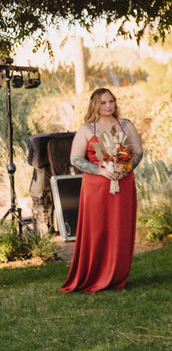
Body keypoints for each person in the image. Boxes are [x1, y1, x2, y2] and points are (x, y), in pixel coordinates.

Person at [62, 88, 143, 292]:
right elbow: (76, 159)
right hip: (96, 186)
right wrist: (100, 171)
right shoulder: (87, 129)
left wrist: (125, 169)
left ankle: (117, 277)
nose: (108, 106)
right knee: (97, 230)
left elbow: (138, 153)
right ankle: (94, 274)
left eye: (111, 102)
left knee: (120, 229)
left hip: (123, 184)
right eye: (103, 103)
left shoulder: (126, 125)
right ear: (94, 105)